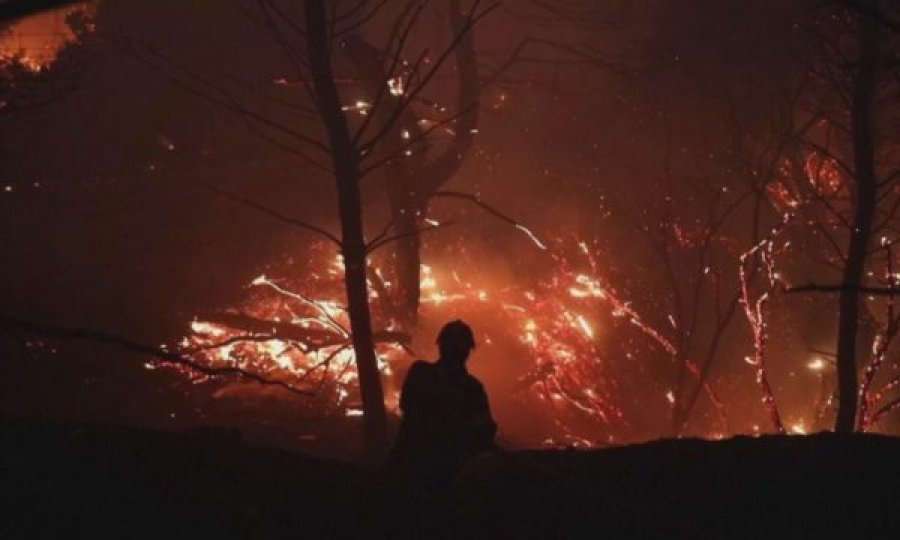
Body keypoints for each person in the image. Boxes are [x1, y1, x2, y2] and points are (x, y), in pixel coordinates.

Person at [389, 319, 497, 489]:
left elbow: (484, 429)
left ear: (440, 345)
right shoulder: (471, 387)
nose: (455, 349)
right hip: (436, 466)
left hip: (417, 464)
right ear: (468, 351)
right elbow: (485, 430)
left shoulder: (421, 373)